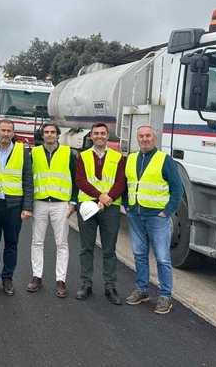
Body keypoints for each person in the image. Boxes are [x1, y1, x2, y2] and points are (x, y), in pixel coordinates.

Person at [124, 125, 182, 315]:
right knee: (139, 254)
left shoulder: (164, 160)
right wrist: (127, 205)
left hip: (157, 216)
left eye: (148, 136)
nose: (145, 139)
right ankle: (142, 290)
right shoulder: (131, 158)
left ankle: (165, 295)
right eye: (141, 136)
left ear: (155, 138)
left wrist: (167, 211)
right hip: (135, 214)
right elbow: (126, 184)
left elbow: (177, 188)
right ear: (137, 139)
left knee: (163, 258)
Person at [74, 123, 126, 304]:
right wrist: (100, 197)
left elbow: (121, 182)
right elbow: (80, 180)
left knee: (109, 249)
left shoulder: (118, 157)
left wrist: (107, 198)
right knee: (86, 247)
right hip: (88, 206)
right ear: (91, 136)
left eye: (103, 133)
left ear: (108, 136)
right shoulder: (83, 156)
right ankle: (86, 283)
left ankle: (110, 286)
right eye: (96, 133)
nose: (99, 136)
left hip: (110, 207)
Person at [0, 119, 33, 296]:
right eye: (2, 130)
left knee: (12, 243)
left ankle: (8, 278)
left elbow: (28, 179)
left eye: (9, 131)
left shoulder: (22, 151)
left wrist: (27, 207)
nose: (5, 134)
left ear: (13, 133)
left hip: (14, 206)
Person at [27, 123, 77, 298]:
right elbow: (28, 178)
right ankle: (37, 277)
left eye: (52, 132)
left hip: (60, 204)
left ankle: (60, 280)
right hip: (39, 202)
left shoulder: (68, 153)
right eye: (46, 132)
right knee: (37, 241)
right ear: (42, 135)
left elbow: (76, 178)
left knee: (61, 244)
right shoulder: (34, 153)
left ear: (58, 134)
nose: (49, 135)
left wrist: (73, 202)